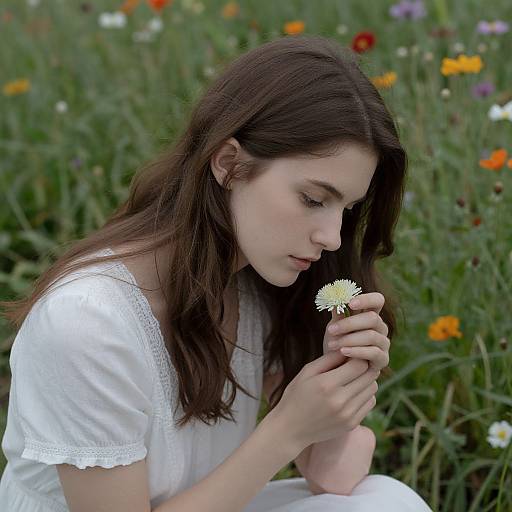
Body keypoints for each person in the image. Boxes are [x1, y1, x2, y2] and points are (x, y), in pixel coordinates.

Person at [0, 35, 432, 511]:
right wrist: (285, 429)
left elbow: (336, 477)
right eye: (313, 199)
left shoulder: (258, 284)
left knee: (387, 502)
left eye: (346, 210)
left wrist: (342, 374)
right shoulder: (86, 323)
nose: (332, 236)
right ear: (229, 165)